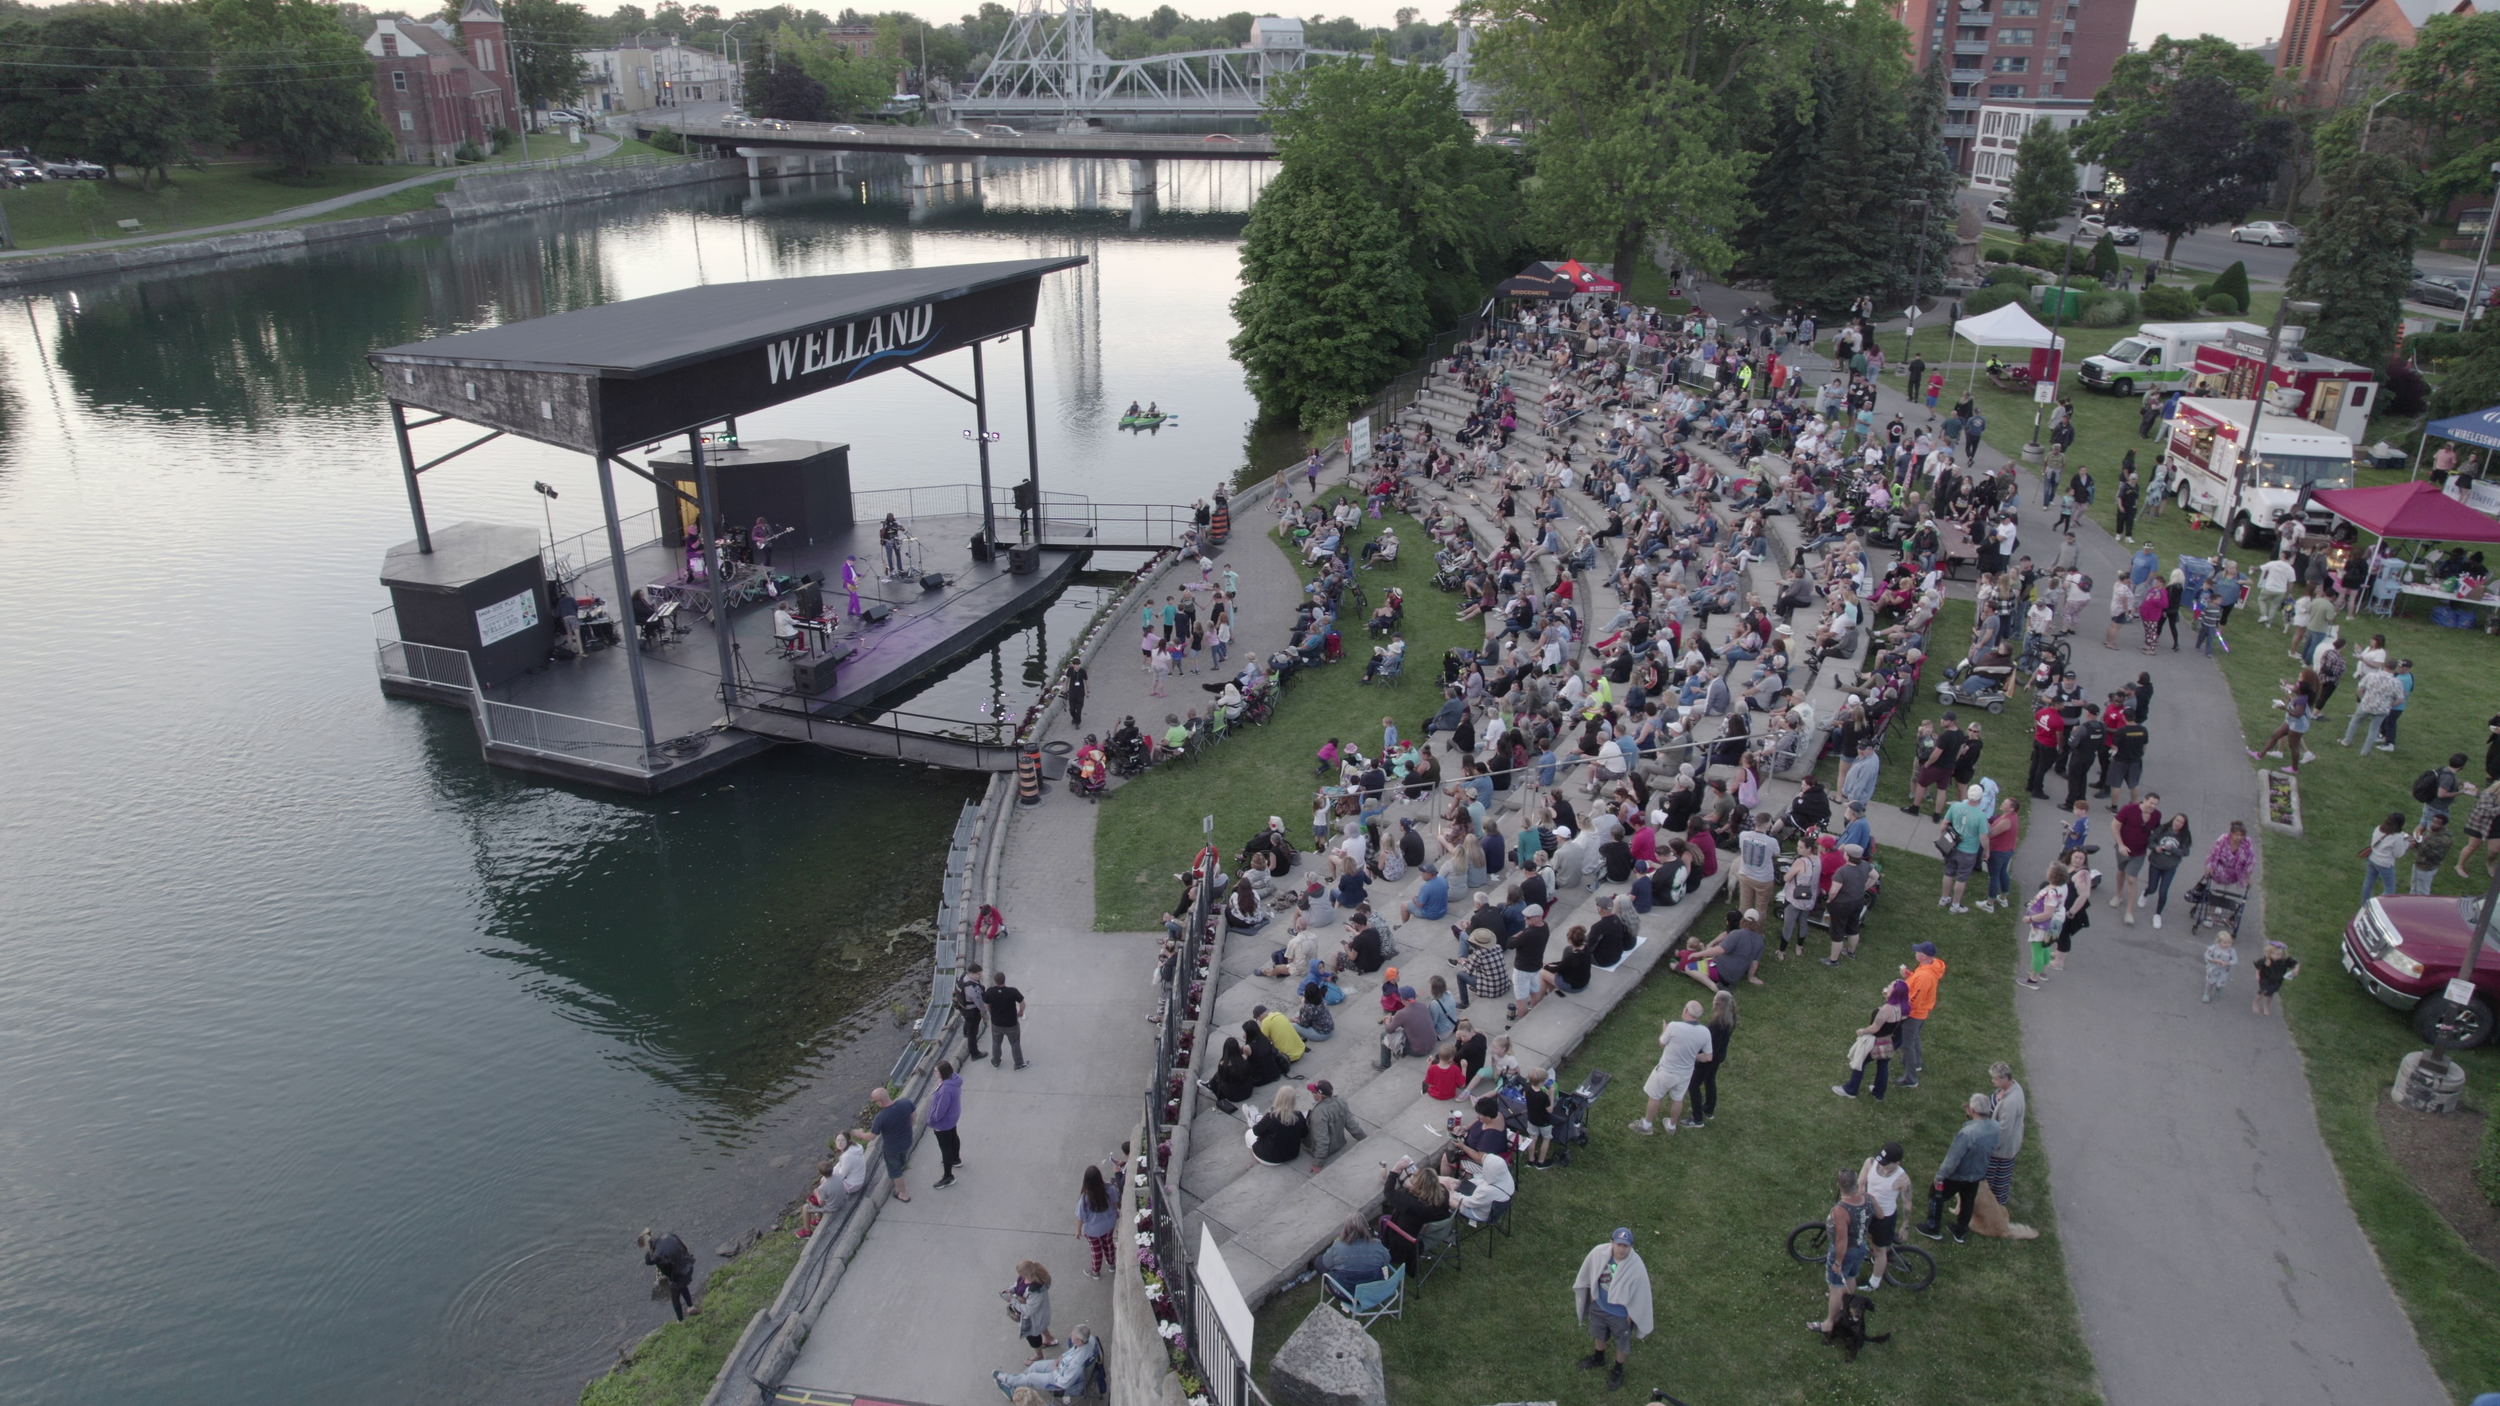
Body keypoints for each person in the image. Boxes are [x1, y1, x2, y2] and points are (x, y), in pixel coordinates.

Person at [1573, 1227, 1654, 1392]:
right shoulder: (1599, 1253)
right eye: (1618, 1245)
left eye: (1626, 1246)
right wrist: (1592, 1294)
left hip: (1621, 1315)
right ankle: (1598, 1357)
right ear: (1612, 1243)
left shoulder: (1636, 1266)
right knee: (1598, 1333)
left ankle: (1618, 1369)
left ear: (1631, 1246)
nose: (1621, 1249)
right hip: (1600, 1307)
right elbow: (1590, 1271)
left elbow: (1641, 1293)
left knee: (1622, 1343)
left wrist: (1631, 1315)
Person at [1918, 1093, 2000, 1243]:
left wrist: (1940, 1176)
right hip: (1978, 1173)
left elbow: (1952, 1160)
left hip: (1958, 1175)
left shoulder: (1967, 1134)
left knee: (1935, 1196)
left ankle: (1933, 1228)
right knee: (1968, 1201)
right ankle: (1960, 1231)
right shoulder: (1995, 1127)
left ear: (1972, 1111)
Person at [1630, 1000, 1713, 1133]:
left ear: (1686, 1011)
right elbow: (1708, 1057)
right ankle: (1671, 1125)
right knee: (1678, 1099)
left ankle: (1646, 1125)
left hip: (1666, 1071)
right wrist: (1694, 1056)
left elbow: (1662, 1043)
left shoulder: (1674, 1026)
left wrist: (1665, 1031)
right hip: (1685, 1074)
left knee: (1655, 1096)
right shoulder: (1705, 1032)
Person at [1808, 1167, 1872, 1336]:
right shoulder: (1867, 1199)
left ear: (1839, 1185)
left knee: (1836, 1286)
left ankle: (1829, 1323)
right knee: (1851, 1276)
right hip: (1860, 1247)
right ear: (1856, 1183)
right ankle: (1846, 1302)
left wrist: (1837, 1262)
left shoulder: (1841, 1210)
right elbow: (1880, 1215)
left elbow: (1842, 1240)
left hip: (1846, 1251)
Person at [1833, 980, 1908, 1100]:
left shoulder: (1887, 1009)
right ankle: (1879, 1093)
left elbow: (1875, 1028)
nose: (1888, 986)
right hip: (1894, 1041)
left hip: (1879, 1042)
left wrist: (1862, 1031)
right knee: (1883, 1065)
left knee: (1860, 1061)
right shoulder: (1905, 1006)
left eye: (1890, 986)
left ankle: (1851, 1090)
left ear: (1895, 992)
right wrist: (1887, 999)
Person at [991, 1323, 1099, 1398]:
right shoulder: (1089, 1339)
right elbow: (1072, 1351)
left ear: (1080, 1341)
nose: (1070, 1336)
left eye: (1073, 1336)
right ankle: (1017, 1384)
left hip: (1059, 1379)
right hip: (1062, 1366)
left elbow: (1064, 1383)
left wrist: (1055, 1371)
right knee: (1035, 1366)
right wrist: (1062, 1357)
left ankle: (1009, 1382)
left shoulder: (1076, 1364)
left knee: (1031, 1377)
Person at [1859, 1144, 1912, 1289]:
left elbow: (1907, 1205)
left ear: (1897, 1163)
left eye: (1886, 1164)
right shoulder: (1870, 1162)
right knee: (1869, 1238)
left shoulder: (1902, 1179)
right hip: (1868, 1211)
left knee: (1879, 1251)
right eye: (1881, 1162)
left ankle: (1874, 1283)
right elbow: (1861, 1183)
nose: (1881, 1166)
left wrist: (1905, 1227)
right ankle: (1872, 1255)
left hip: (1884, 1218)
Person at [1898, 943, 1945, 1087]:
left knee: (1907, 1045)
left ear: (1923, 956)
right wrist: (1910, 975)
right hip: (1921, 1013)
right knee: (1915, 1036)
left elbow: (1915, 999)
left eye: (1917, 951)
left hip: (1914, 1014)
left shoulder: (1925, 976)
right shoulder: (1930, 966)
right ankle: (1917, 1063)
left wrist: (1904, 1013)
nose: (1915, 953)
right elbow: (1918, 983)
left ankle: (1910, 1079)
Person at [1985, 1063, 2026, 1210]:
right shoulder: (2011, 1087)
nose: (1993, 1082)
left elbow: (2003, 1131)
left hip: (2002, 1149)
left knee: (1996, 1178)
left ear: (2004, 1079)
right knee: (1997, 1177)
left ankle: (1994, 1206)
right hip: (2004, 1145)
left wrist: (1991, 1148)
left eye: (1995, 1079)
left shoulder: (2010, 1102)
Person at [1304, 1078, 1366, 1171]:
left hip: (1327, 1150)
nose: (1312, 1094)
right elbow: (1352, 1125)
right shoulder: (1341, 1101)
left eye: (1313, 1092)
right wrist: (1363, 1137)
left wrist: (1318, 1163)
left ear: (1320, 1097)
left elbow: (1322, 1140)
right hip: (1340, 1142)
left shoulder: (1318, 1113)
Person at [1316, 1215, 1394, 1287]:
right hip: (1373, 1290)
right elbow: (1387, 1260)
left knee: (1319, 1261)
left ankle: (1331, 1288)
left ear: (1345, 1230)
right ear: (1366, 1229)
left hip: (1346, 1293)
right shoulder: (1377, 1245)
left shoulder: (1337, 1247)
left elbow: (1327, 1263)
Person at [869, 1085, 916, 1202]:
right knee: (902, 1159)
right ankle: (902, 1166)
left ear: (880, 1101)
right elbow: (914, 1115)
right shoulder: (905, 1103)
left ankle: (903, 1194)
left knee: (894, 1171)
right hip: (907, 1141)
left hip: (891, 1149)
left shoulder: (880, 1117)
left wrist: (860, 1134)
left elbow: (872, 1136)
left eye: (874, 1101)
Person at [1002, 1260, 1056, 1361]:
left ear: (1026, 1273)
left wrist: (1012, 1300)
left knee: (1032, 1336)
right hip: (1039, 1317)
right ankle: (1049, 1338)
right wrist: (1011, 1289)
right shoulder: (1026, 1278)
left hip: (1033, 1317)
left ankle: (1039, 1356)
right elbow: (1017, 1285)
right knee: (1041, 1326)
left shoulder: (1036, 1291)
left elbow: (1029, 1310)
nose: (1020, 1276)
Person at [638, 1228, 697, 1320]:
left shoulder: (656, 1255)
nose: (645, 1248)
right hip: (689, 1265)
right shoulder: (669, 1236)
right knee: (683, 1287)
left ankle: (680, 1321)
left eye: (644, 1247)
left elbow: (653, 1263)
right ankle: (691, 1307)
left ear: (646, 1244)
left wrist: (671, 1279)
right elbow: (685, 1247)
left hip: (680, 1274)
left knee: (675, 1298)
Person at [1076, 1164, 1120, 1278]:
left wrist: (1078, 1230)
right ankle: (1111, 1265)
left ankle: (1096, 1272)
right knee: (1108, 1243)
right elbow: (1115, 1204)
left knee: (1096, 1250)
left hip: (1093, 1229)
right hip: (1109, 1223)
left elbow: (1080, 1217)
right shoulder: (1110, 1188)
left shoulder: (1085, 1198)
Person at [1246, 1086, 1309, 1165]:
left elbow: (1256, 1131)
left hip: (1268, 1157)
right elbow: (1304, 1134)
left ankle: (1255, 1161)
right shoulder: (1299, 1116)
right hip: (1291, 1154)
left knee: (1248, 1133)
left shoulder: (1271, 1116)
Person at [929, 1060, 964, 1189]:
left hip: (943, 1122)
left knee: (945, 1149)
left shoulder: (945, 1090)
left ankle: (948, 1176)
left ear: (942, 1072)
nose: (934, 1073)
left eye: (936, 1071)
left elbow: (940, 1111)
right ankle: (956, 1159)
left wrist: (933, 1119)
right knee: (954, 1137)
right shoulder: (954, 1080)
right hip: (952, 1118)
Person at [984, 971, 1029, 1071]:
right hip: (1011, 1024)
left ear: (994, 981)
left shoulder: (990, 991)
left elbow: (986, 1006)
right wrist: (1021, 1012)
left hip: (996, 1024)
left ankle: (995, 1062)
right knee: (1015, 1043)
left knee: (996, 1043)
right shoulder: (1012, 991)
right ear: (1005, 980)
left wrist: (991, 1012)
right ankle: (1018, 1063)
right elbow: (1022, 1003)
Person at [2252, 940, 2300, 1016]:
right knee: (2262, 992)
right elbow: (2258, 966)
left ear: (2283, 954)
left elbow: (2295, 963)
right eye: (2273, 954)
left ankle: (2267, 1006)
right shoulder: (2266, 960)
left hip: (2277, 980)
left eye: (2278, 954)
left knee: (2270, 994)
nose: (2275, 956)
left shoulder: (2285, 961)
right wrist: (2257, 974)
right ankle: (2256, 1003)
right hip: (2265, 979)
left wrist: (2296, 968)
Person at [2202, 931, 2238, 1004]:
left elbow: (2235, 960)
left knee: (2221, 982)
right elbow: (2207, 955)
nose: (2227, 945)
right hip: (2213, 969)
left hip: (2223, 971)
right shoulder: (2214, 948)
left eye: (2229, 943)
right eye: (2225, 943)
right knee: (2210, 982)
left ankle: (2218, 988)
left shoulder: (2231, 951)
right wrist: (2213, 960)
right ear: (2219, 941)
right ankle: (2206, 994)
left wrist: (2228, 963)